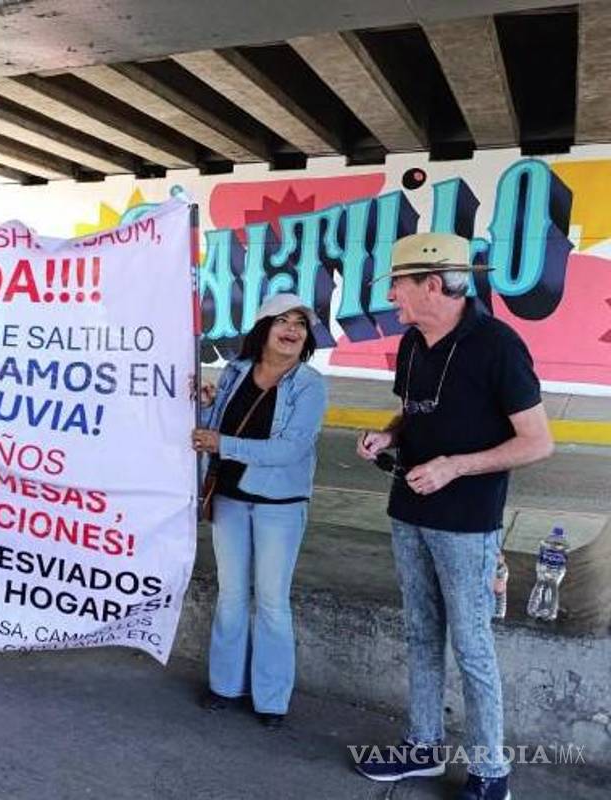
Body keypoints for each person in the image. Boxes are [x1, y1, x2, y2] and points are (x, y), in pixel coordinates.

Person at [354, 233, 553, 800]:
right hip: (408, 510)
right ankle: (423, 747)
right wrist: (386, 435)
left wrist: (454, 468)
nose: (391, 297)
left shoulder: (498, 346)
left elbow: (537, 443)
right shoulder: (415, 343)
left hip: (467, 524)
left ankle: (492, 773)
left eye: (398, 285)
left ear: (432, 285)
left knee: (471, 645)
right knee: (420, 634)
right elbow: (413, 413)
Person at [190, 292, 327, 729]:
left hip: (280, 507)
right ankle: (224, 685)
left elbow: (290, 449)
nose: (291, 330)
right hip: (229, 496)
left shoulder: (309, 384)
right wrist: (209, 404)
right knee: (231, 596)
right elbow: (216, 428)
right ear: (263, 328)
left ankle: (271, 699)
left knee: (270, 601)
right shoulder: (237, 371)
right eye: (282, 321)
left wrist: (222, 444)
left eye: (300, 324)